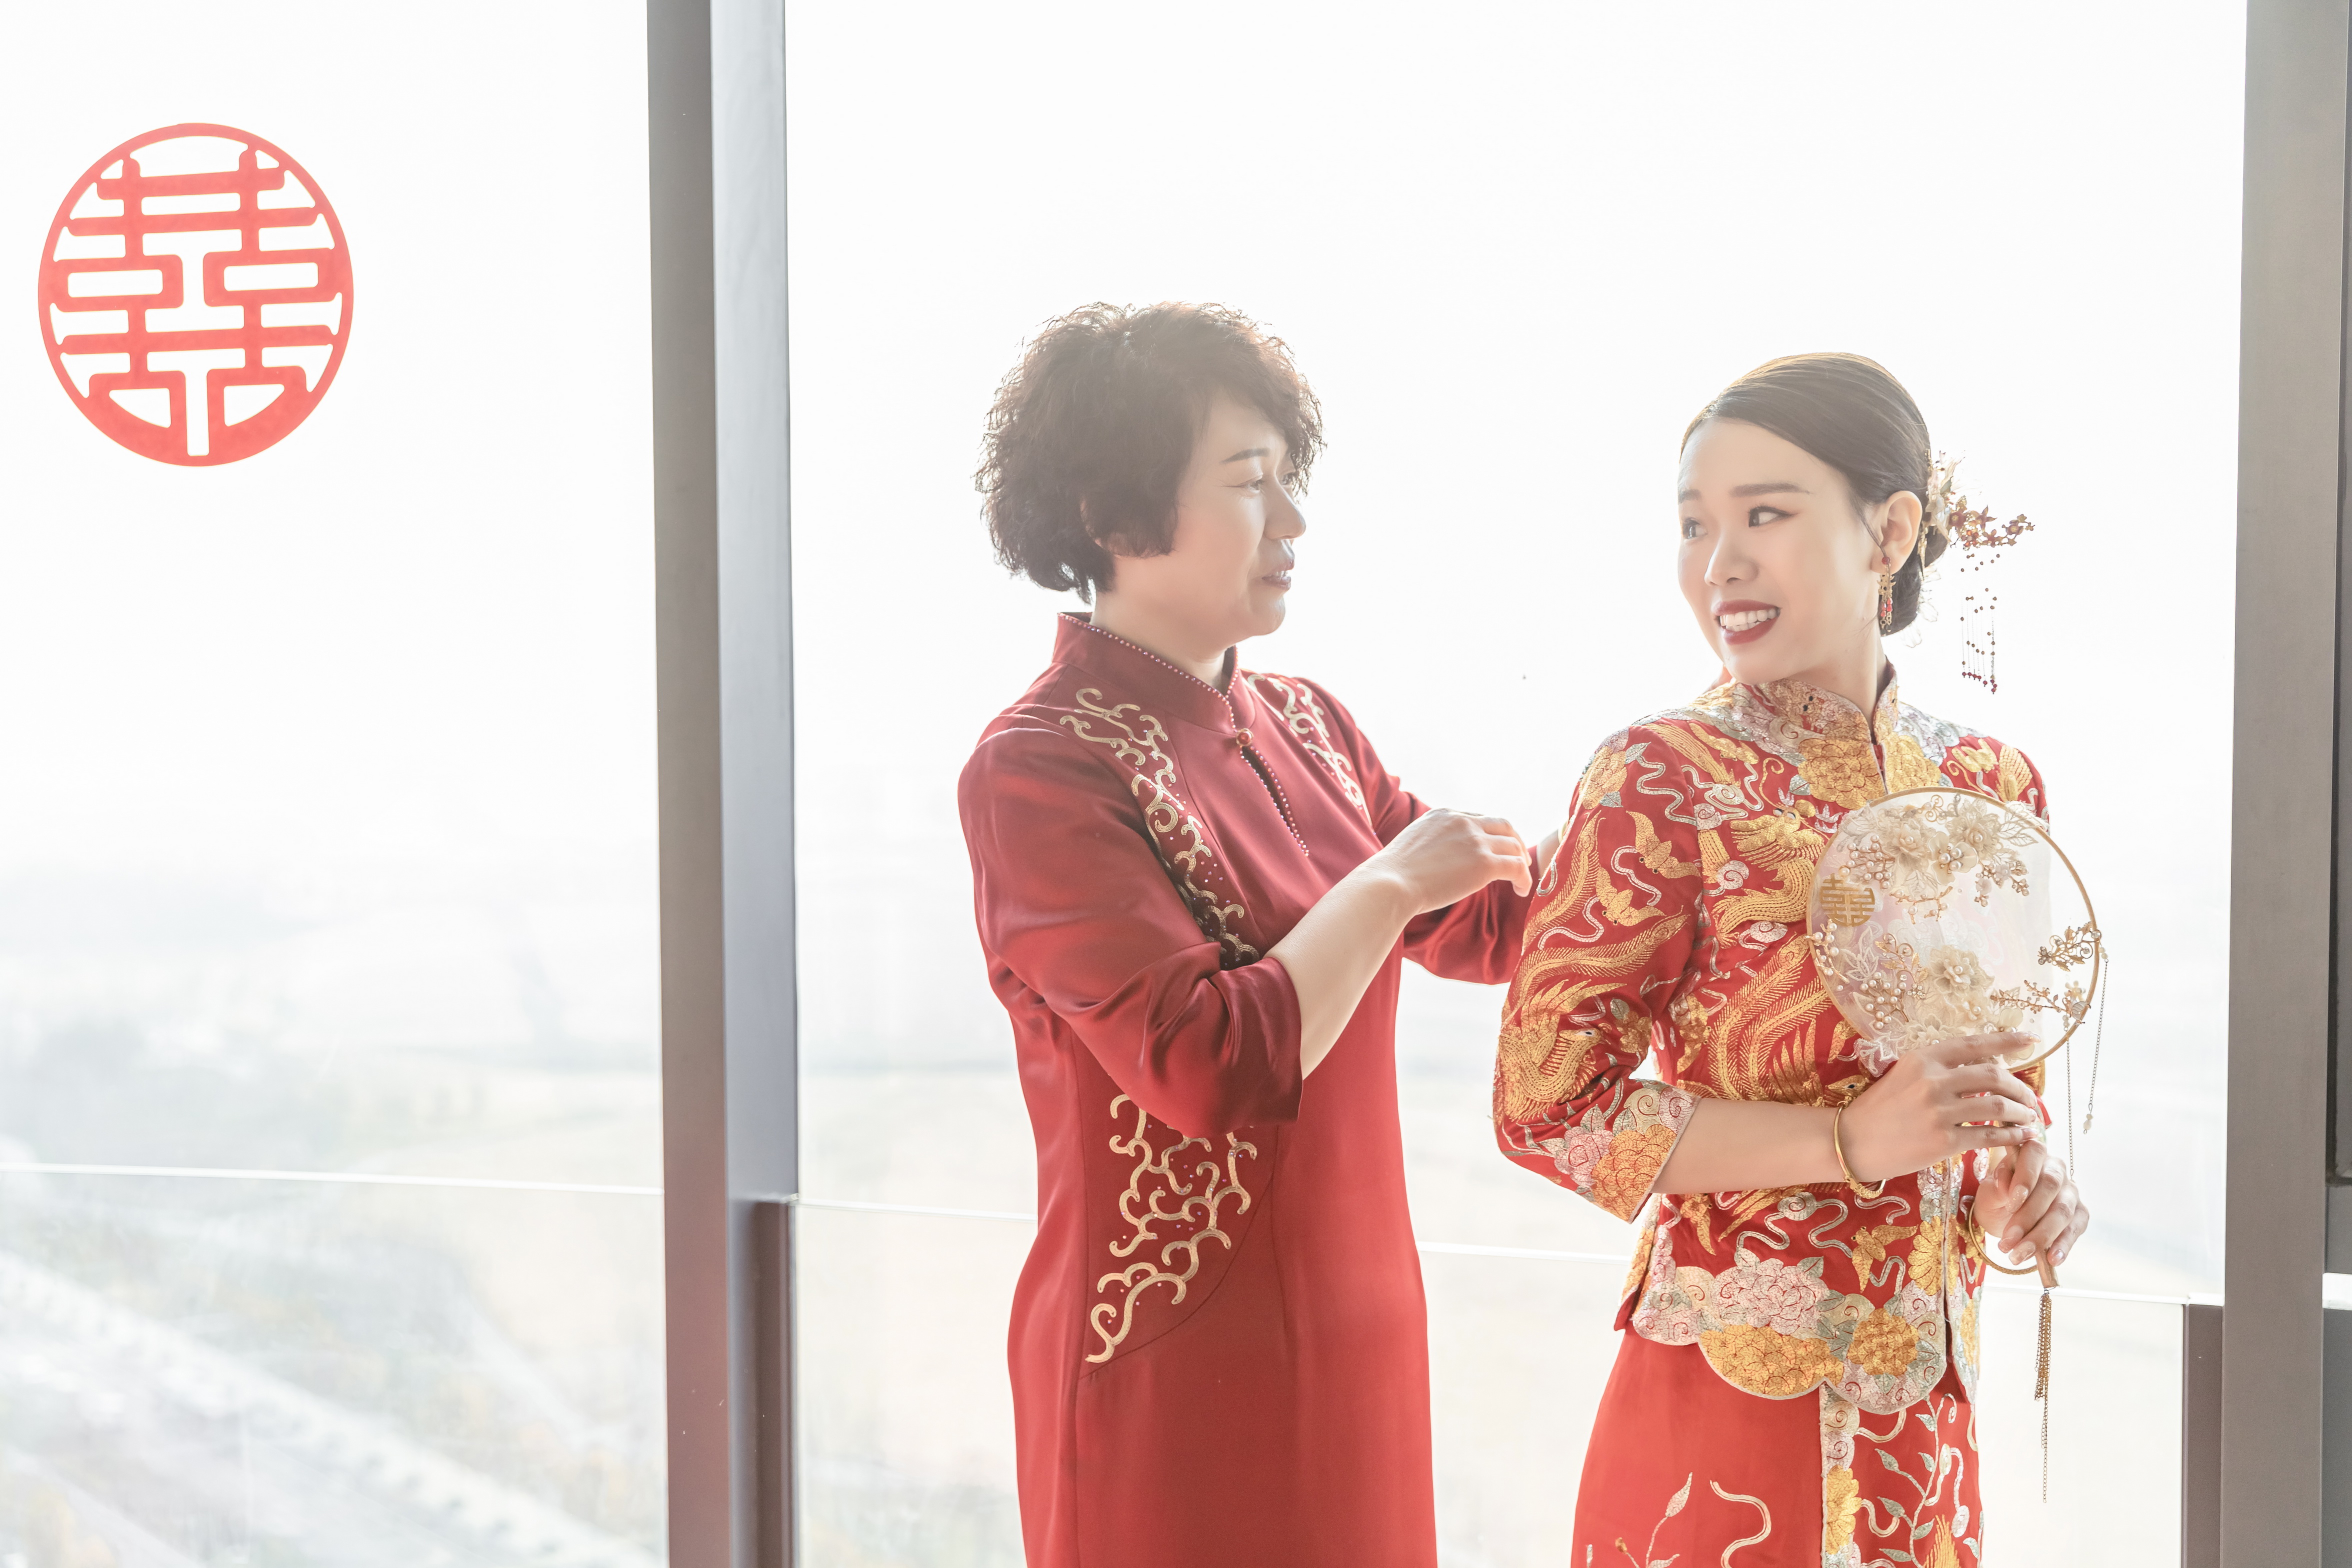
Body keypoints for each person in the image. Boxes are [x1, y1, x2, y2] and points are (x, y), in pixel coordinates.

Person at [959, 302, 1541, 1568]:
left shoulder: (1310, 723)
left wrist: (1696, 809)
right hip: (1170, 1366)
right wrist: (1387, 885)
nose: (1292, 522)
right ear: (1113, 515)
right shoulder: (1042, 766)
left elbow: (1501, 925)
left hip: (1364, 1330)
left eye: (1290, 478)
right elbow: (1204, 1063)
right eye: (1247, 481)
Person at [1492, 353, 2090, 1566]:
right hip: (1725, 1404)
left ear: (1891, 532)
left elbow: (1991, 1091)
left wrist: (2015, 1187)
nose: (1720, 562)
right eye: (1694, 525)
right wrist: (1847, 1141)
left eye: (1765, 513)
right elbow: (1546, 1109)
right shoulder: (1659, 776)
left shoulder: (1994, 785)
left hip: (1928, 1422)